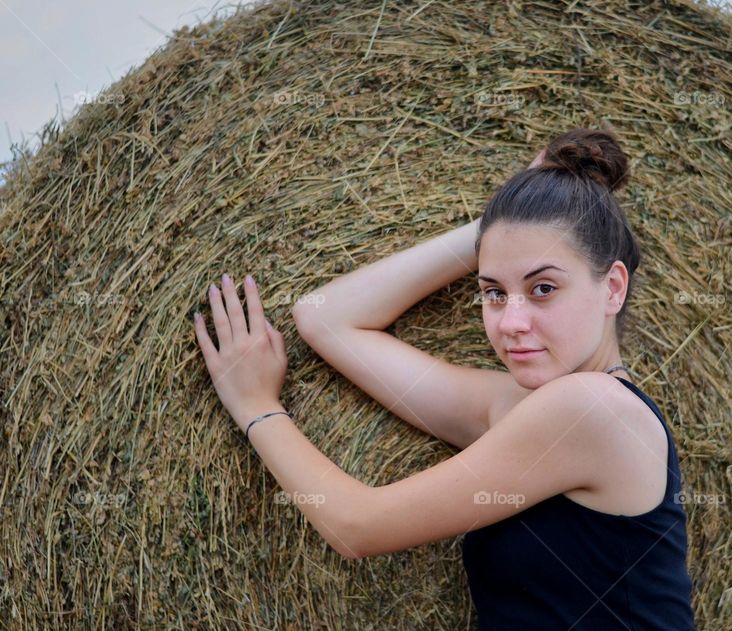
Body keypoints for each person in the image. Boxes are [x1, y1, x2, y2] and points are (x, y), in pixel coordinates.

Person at [193, 128, 696, 629]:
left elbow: (356, 525)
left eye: (543, 288)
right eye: (493, 292)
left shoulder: (594, 412)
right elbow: (327, 318)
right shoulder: (520, 406)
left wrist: (255, 405)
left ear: (612, 288)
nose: (510, 322)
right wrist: (501, 223)